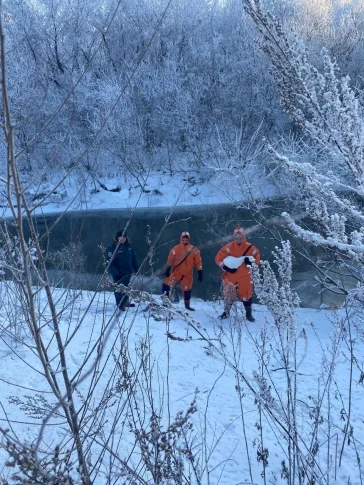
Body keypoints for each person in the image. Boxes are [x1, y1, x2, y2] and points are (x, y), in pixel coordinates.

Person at [215, 226, 260, 322]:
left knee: (246, 295)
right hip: (230, 276)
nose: (239, 240)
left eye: (241, 238)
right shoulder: (228, 248)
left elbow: (257, 262)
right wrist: (225, 267)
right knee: (229, 295)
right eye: (237, 238)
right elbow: (218, 258)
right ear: (234, 238)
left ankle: (248, 315)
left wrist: (251, 263)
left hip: (245, 277)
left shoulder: (251, 248)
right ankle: (226, 312)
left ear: (244, 237)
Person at [162, 231, 203, 311]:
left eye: (186, 239)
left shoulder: (194, 250)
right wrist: (168, 269)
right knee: (166, 284)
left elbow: (198, 262)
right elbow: (170, 259)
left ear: (189, 239)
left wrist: (200, 272)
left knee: (187, 289)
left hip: (188, 273)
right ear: (181, 239)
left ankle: (187, 305)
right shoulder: (175, 249)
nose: (185, 240)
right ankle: (165, 302)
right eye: (183, 239)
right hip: (176, 271)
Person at [106, 229, 139, 311]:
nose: (122, 238)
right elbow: (110, 263)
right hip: (118, 272)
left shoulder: (129, 246)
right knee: (119, 288)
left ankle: (126, 302)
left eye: (124, 237)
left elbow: (133, 258)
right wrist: (115, 273)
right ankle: (120, 304)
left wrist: (136, 268)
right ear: (117, 237)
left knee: (127, 287)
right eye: (121, 237)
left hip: (128, 271)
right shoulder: (112, 248)